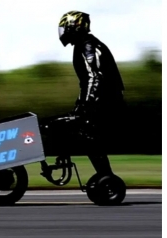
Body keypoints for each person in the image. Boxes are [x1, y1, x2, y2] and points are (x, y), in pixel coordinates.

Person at [42, 11, 126, 177]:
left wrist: (87, 105)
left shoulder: (88, 46)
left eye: (65, 27)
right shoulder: (84, 44)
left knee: (86, 135)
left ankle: (106, 178)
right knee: (81, 134)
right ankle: (105, 176)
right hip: (103, 103)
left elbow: (94, 77)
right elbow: (89, 82)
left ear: (75, 26)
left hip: (105, 105)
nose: (63, 32)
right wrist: (81, 104)